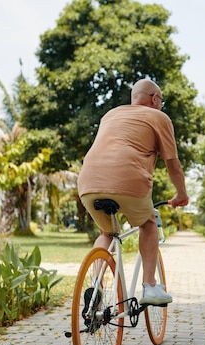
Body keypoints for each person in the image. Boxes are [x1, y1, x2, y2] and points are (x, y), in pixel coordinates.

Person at [77, 79, 189, 305]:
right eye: (161, 101)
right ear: (155, 99)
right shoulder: (159, 117)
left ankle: (95, 286)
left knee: (106, 232)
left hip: (88, 181)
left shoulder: (110, 114)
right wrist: (181, 194)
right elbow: (173, 164)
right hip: (127, 180)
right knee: (148, 225)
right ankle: (150, 286)